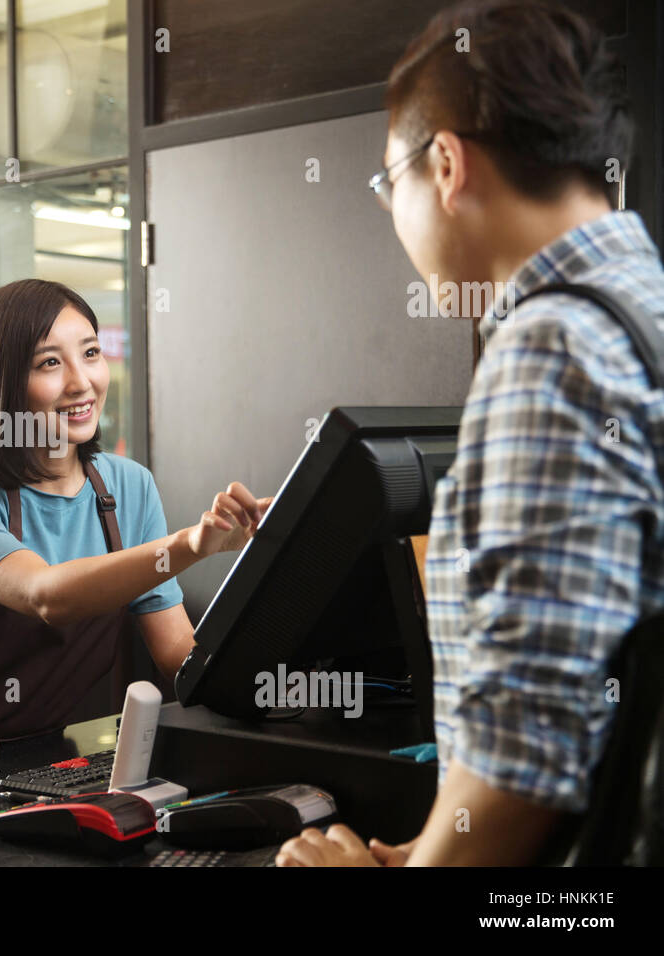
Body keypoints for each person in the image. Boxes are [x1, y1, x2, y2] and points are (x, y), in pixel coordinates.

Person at [278, 0, 664, 866]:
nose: (392, 212)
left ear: (446, 163)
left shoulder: (551, 349)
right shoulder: (641, 308)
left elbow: (531, 764)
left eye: (389, 183)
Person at [0, 278, 270, 768]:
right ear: (3, 382)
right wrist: (193, 544)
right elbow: (47, 596)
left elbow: (179, 656)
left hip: (44, 755)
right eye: (50, 362)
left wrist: (276, 681)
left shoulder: (129, 488)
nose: (82, 382)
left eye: (91, 353)